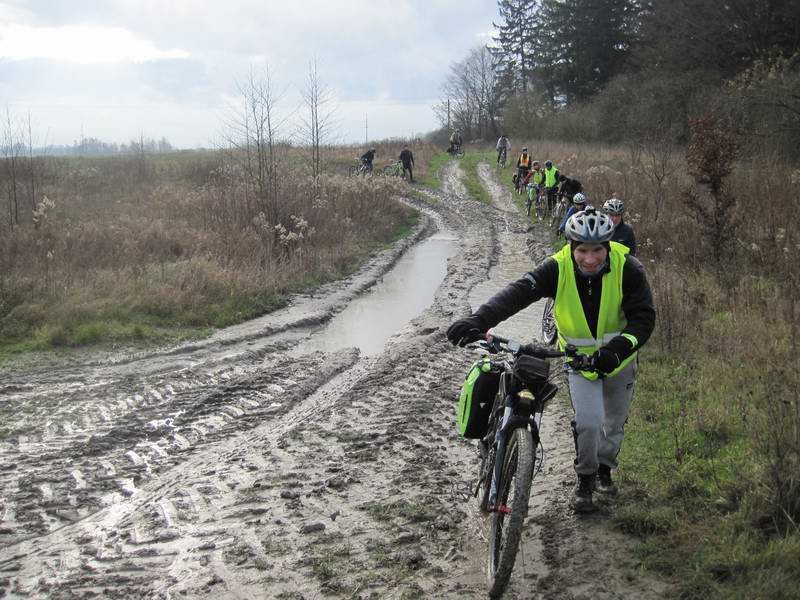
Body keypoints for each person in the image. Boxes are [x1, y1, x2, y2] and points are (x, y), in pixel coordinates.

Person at [446, 208, 655, 513]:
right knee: (589, 422)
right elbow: (517, 293)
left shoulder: (629, 269)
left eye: (597, 250)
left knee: (614, 426)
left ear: (608, 246)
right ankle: (584, 481)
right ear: (571, 246)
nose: (590, 259)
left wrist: (618, 349)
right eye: (582, 250)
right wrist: (480, 319)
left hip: (618, 362)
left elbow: (644, 319)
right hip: (579, 363)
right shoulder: (557, 268)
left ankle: (604, 470)